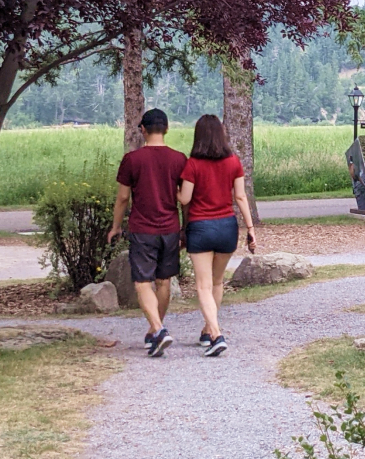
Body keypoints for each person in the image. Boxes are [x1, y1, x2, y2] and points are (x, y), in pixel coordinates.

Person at [108, 108, 187, 358]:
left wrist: (115, 227)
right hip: (171, 228)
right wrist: (186, 227)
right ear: (166, 128)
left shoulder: (132, 160)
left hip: (143, 229)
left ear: (142, 130)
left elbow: (122, 198)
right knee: (164, 281)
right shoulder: (179, 159)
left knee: (143, 282)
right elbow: (185, 199)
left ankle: (158, 329)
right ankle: (156, 331)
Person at [177, 115, 258, 357]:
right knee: (217, 282)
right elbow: (241, 197)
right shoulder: (234, 162)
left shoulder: (192, 164)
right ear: (222, 134)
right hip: (227, 228)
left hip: (201, 228)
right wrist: (251, 229)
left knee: (202, 285)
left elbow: (185, 199)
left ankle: (216, 333)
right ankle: (207, 331)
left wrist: (173, 188)